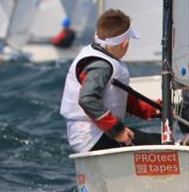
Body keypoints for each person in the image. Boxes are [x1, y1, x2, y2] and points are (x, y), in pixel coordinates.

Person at [59, 8, 161, 153]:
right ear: (124, 43)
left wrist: (158, 110)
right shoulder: (101, 66)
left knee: (159, 141)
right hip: (92, 137)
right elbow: (87, 100)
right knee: (164, 145)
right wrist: (117, 131)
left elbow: (124, 99)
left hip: (94, 133)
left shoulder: (100, 56)